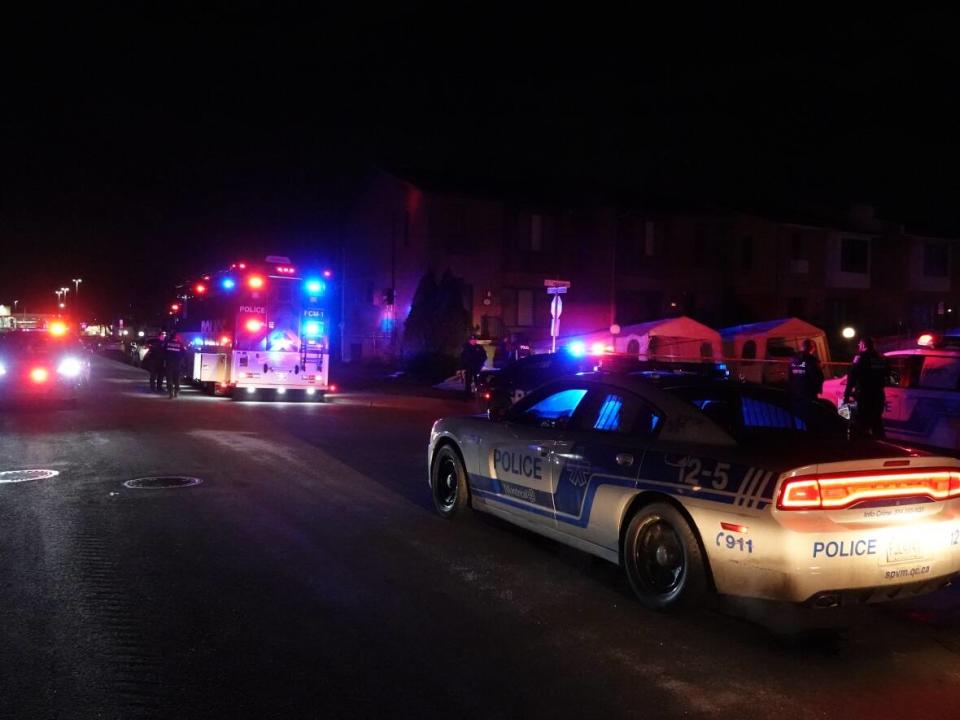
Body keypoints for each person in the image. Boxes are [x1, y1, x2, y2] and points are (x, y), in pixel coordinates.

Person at [844, 336, 888, 439]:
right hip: (878, 395)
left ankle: (863, 448)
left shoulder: (859, 358)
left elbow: (852, 378)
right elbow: (884, 375)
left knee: (862, 424)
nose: (859, 346)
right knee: (877, 422)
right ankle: (882, 446)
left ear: (863, 345)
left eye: (859, 344)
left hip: (864, 395)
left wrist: (846, 395)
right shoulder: (879, 358)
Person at [163, 332, 187, 399]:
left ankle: (170, 393)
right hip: (177, 364)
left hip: (169, 363)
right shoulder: (180, 344)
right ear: (176, 337)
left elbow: (164, 352)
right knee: (176, 379)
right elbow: (184, 353)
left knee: (169, 378)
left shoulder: (167, 343)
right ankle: (176, 392)